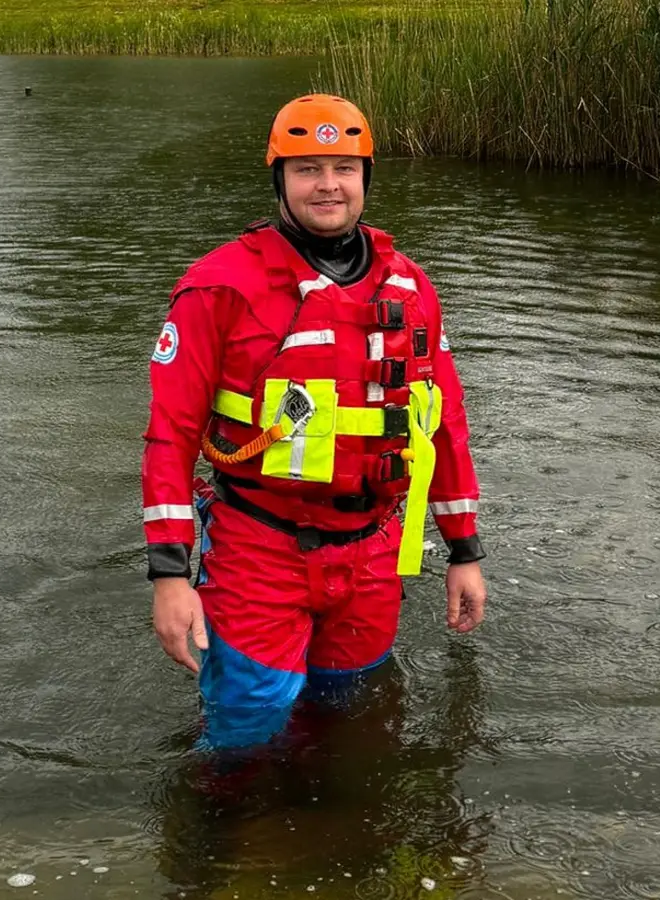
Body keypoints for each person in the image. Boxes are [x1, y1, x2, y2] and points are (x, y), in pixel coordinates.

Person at [141, 93, 488, 750]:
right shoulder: (218, 286)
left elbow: (443, 426)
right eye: (306, 168)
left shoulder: (410, 288)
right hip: (260, 548)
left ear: (366, 178)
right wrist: (168, 575)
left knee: (351, 722)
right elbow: (170, 434)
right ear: (280, 179)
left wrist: (464, 550)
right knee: (246, 739)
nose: (327, 184)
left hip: (372, 553)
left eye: (343, 167)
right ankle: (226, 843)